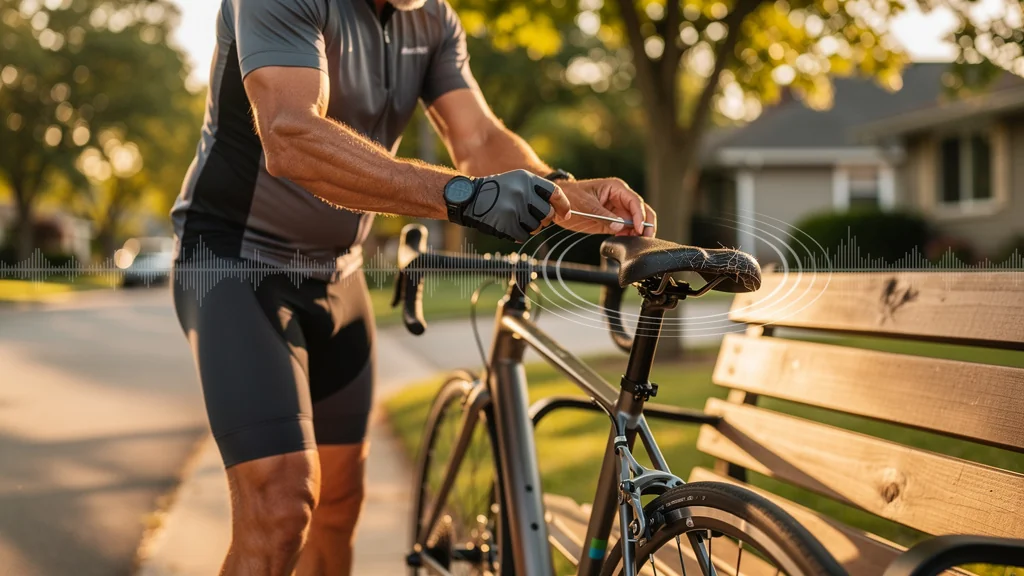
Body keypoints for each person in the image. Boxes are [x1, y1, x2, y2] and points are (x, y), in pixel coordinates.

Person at [169, 0, 657, 573]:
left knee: (339, 502)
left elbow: (476, 137)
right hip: (232, 260)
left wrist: (562, 192)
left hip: (339, 270)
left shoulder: (433, 19)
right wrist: (459, 196)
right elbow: (290, 134)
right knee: (280, 502)